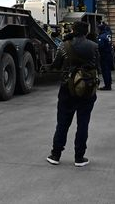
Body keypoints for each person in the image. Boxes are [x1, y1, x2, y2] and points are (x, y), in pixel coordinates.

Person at [47, 21, 100, 167]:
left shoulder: (64, 46)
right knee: (83, 123)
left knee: (62, 123)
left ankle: (55, 155)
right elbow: (98, 67)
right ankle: (79, 157)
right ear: (87, 31)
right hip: (87, 89)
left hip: (67, 88)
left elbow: (56, 65)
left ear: (73, 30)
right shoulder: (94, 46)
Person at [97, 22, 113, 90]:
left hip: (104, 54)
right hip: (109, 53)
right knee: (108, 70)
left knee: (105, 70)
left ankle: (107, 85)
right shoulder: (108, 34)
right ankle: (109, 83)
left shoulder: (102, 36)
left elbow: (100, 46)